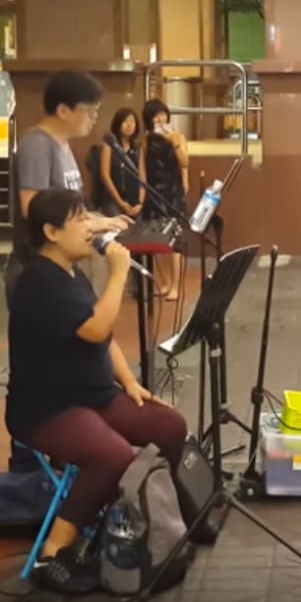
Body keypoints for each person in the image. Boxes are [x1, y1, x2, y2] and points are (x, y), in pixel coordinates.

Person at [4, 189, 188, 594]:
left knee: (170, 426)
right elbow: (97, 328)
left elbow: (103, 342)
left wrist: (130, 382)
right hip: (47, 409)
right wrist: (119, 271)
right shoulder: (38, 280)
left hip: (93, 396)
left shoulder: (72, 272)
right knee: (112, 454)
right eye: (80, 220)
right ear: (51, 232)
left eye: (89, 217)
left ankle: (158, 526)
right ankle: (53, 555)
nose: (91, 227)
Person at [4, 70, 131, 472]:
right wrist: (94, 225)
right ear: (62, 109)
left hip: (66, 271)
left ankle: (70, 459)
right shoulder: (37, 145)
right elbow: (36, 209)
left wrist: (98, 219)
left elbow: (69, 211)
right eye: (89, 110)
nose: (94, 117)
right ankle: (35, 470)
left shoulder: (61, 144)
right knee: (45, 371)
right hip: (41, 273)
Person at [141, 98, 189, 301]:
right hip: (154, 191)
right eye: (155, 115)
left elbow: (185, 162)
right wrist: (142, 195)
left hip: (173, 191)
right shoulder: (146, 140)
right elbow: (142, 168)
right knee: (158, 239)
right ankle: (166, 282)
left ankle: (177, 286)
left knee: (175, 240)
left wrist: (174, 142)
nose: (160, 119)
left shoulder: (177, 136)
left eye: (162, 114)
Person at [97, 107, 145, 218]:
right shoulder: (109, 145)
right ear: (118, 123)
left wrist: (140, 202)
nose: (129, 125)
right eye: (125, 121)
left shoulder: (138, 147)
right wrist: (119, 202)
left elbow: (142, 177)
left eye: (132, 122)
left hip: (135, 201)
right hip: (113, 200)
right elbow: (105, 175)